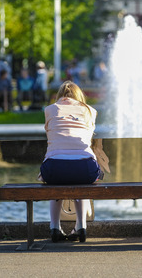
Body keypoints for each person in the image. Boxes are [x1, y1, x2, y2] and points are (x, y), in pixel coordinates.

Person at [40, 81, 103, 243]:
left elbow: (51, 135)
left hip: (54, 168)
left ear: (59, 96)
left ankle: (54, 227)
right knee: (80, 183)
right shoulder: (90, 111)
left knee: (55, 182)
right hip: (85, 168)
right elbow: (88, 137)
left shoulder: (49, 110)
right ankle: (81, 226)